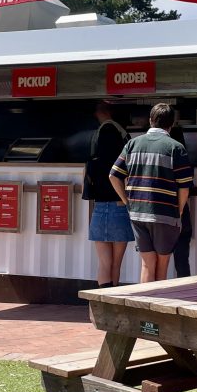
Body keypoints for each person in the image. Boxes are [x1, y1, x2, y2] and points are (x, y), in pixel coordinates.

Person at [109, 103, 193, 283]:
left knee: (147, 265)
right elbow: (184, 186)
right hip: (165, 213)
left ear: (150, 121)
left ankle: (144, 307)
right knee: (162, 265)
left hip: (138, 212)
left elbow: (113, 175)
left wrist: (127, 201)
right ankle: (158, 308)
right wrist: (178, 210)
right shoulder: (176, 148)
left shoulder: (132, 144)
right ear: (172, 123)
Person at [83, 101, 132, 287]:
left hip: (102, 205)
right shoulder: (123, 134)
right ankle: (113, 306)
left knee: (104, 263)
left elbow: (99, 167)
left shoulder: (106, 131)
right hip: (121, 205)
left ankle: (101, 306)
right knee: (116, 265)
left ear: (101, 112)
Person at [169, 121, 194, 278]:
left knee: (156, 260)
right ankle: (185, 290)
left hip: (159, 212)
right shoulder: (184, 159)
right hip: (181, 210)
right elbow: (186, 189)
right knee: (182, 259)